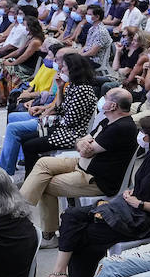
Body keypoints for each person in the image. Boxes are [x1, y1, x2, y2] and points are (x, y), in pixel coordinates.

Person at [38, 114, 150, 277]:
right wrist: (132, 193)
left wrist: (140, 204)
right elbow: (145, 186)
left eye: (143, 132)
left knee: (83, 234)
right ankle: (62, 273)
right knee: (71, 215)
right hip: (126, 207)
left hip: (138, 220)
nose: (140, 134)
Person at [22, 87, 139, 247]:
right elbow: (82, 142)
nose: (102, 99)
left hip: (95, 178)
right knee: (43, 163)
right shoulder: (108, 120)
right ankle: (20, 208)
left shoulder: (122, 127)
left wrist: (84, 144)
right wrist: (82, 143)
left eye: (106, 97)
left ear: (113, 106)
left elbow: (86, 151)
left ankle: (48, 236)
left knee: (45, 185)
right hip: (82, 165)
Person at [16, 54, 101, 176]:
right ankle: (33, 176)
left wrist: (50, 120)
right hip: (65, 128)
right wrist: (60, 88)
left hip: (73, 134)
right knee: (25, 138)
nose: (61, 69)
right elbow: (61, 108)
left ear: (73, 69)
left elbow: (71, 120)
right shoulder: (73, 86)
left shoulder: (82, 90)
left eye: (64, 67)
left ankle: (32, 178)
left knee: (30, 145)